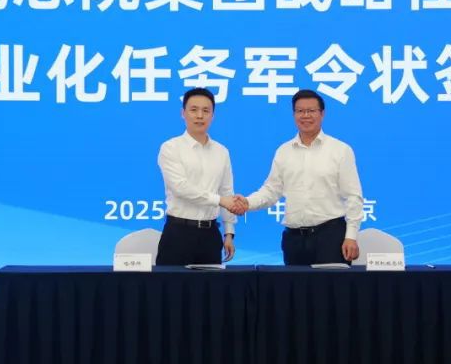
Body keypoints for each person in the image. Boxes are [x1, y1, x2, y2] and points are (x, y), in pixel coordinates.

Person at [233, 89, 364, 265]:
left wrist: (351, 236)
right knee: (294, 284)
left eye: (311, 111)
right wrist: (247, 203)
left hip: (331, 237)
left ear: (322, 114)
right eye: (300, 111)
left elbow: (354, 196)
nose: (305, 116)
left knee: (331, 284)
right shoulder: (284, 151)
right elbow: (271, 191)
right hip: (294, 240)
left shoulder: (340, 150)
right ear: (294, 114)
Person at [156, 87, 244, 265]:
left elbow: (226, 191)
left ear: (213, 115)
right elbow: (181, 188)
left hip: (210, 235)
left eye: (206, 111)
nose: (199, 116)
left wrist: (228, 232)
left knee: (210, 284)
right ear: (183, 113)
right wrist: (220, 200)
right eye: (194, 110)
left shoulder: (221, 151)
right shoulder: (170, 148)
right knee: (170, 283)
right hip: (178, 233)